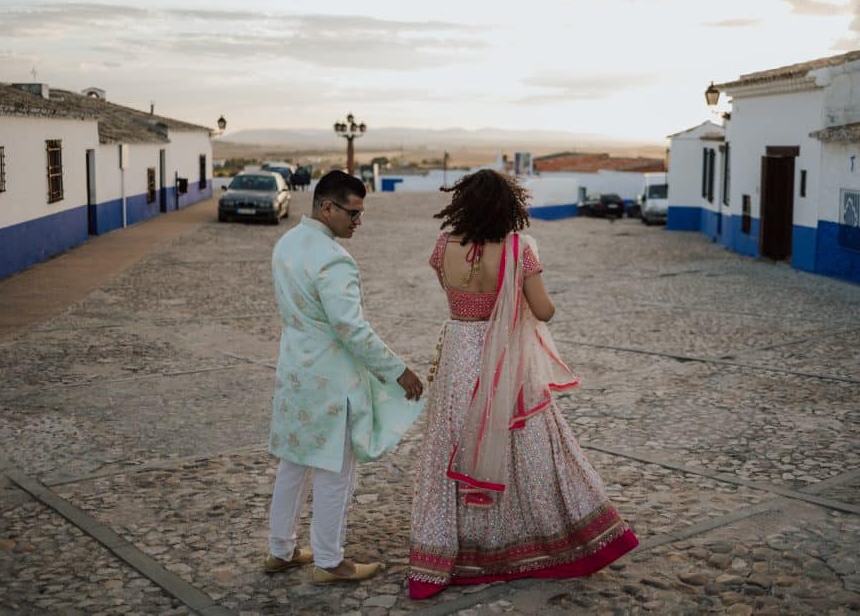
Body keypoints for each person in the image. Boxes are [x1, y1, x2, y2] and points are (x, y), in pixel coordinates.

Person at [408, 169, 638, 599]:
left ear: (461, 203)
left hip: (460, 355)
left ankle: (457, 549)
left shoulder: (443, 248)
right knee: (525, 448)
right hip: (504, 361)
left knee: (454, 443)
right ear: (508, 207)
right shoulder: (519, 250)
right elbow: (544, 310)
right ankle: (530, 542)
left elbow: (452, 293)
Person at [265, 170, 425, 584]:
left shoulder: (286, 244)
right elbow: (351, 327)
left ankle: (280, 550)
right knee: (335, 471)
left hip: (295, 372)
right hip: (332, 384)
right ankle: (329, 561)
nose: (359, 222)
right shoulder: (334, 258)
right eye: (353, 213)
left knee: (294, 465)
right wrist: (398, 371)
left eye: (362, 213)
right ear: (327, 207)